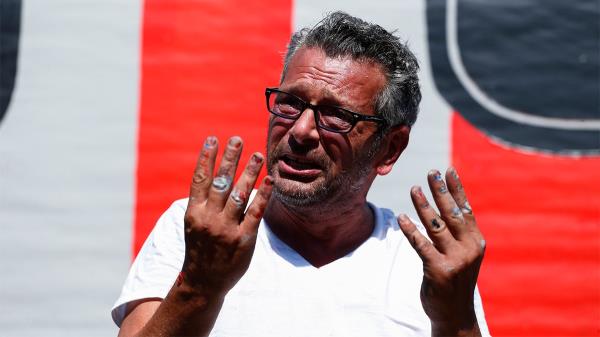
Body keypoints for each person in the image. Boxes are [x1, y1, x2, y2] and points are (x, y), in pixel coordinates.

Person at [112, 12, 489, 337]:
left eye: (337, 115)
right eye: (290, 103)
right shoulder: (199, 232)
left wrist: (455, 321)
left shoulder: (426, 264)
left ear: (389, 148)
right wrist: (199, 287)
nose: (301, 131)